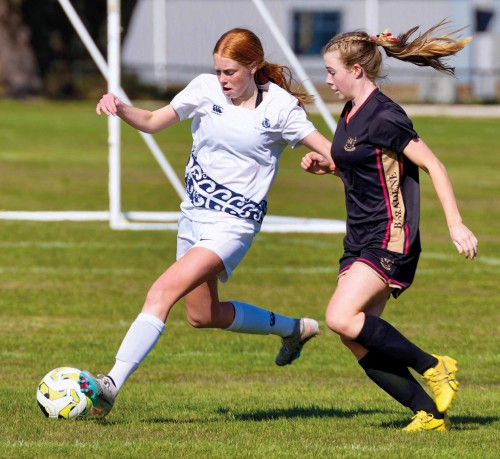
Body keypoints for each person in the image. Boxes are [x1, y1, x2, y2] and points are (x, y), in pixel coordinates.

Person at [78, 28, 334, 417]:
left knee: (161, 291)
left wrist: (331, 165)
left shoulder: (280, 108)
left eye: (230, 72)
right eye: (218, 71)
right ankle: (293, 329)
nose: (222, 80)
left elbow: (331, 152)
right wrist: (120, 106)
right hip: (193, 217)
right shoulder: (204, 90)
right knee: (202, 315)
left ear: (253, 66)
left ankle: (110, 385)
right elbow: (150, 121)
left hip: (233, 226)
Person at [301, 20, 478, 432]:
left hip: (390, 234)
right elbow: (364, 167)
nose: (327, 80)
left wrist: (456, 224)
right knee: (355, 336)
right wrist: (326, 166)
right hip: (359, 237)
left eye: (332, 72)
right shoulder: (349, 112)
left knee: (340, 317)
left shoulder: (386, 115)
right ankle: (429, 415)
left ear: (356, 71)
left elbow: (432, 164)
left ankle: (435, 367)